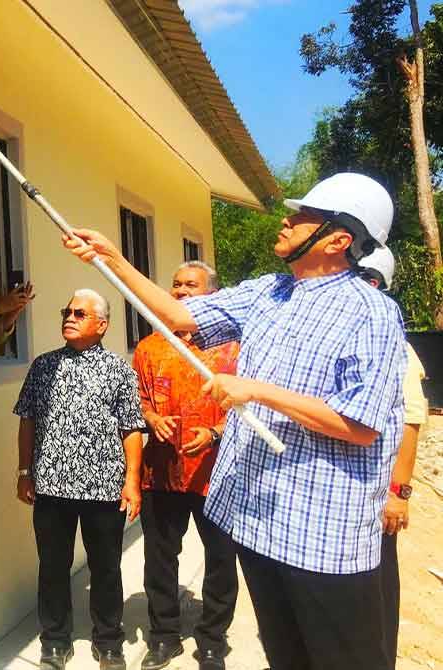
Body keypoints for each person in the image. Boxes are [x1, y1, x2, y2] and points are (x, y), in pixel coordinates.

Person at [62, 172, 406, 670]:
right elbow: (181, 318)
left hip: (321, 536)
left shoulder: (371, 312)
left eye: (305, 215)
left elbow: (360, 424)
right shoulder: (270, 292)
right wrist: (112, 259)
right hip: (260, 524)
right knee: (286, 655)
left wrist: (256, 390)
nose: (287, 220)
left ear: (338, 240)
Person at [13, 289, 145, 670]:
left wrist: (132, 481)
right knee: (52, 566)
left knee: (105, 567)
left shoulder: (119, 370)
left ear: (101, 325)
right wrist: (24, 471)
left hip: (103, 487)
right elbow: (28, 420)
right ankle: (55, 641)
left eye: (80, 313)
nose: (69, 317)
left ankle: (108, 642)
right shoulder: (43, 366)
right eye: (66, 311)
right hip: (51, 486)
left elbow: (131, 428)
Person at [131, 261, 239, 670]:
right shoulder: (149, 347)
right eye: (176, 285)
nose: (180, 292)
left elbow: (252, 404)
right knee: (159, 559)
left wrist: (214, 433)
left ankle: (212, 640)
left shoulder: (233, 346)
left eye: (190, 286)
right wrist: (151, 418)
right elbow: (137, 400)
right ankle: (164, 637)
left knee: (221, 558)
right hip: (161, 472)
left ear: (212, 293)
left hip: (218, 474)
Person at [357, 246, 429, 668]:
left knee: (377, 585)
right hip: (340, 494)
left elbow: (411, 421)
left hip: (376, 493)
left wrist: (398, 492)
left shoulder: (393, 345)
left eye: (367, 280)